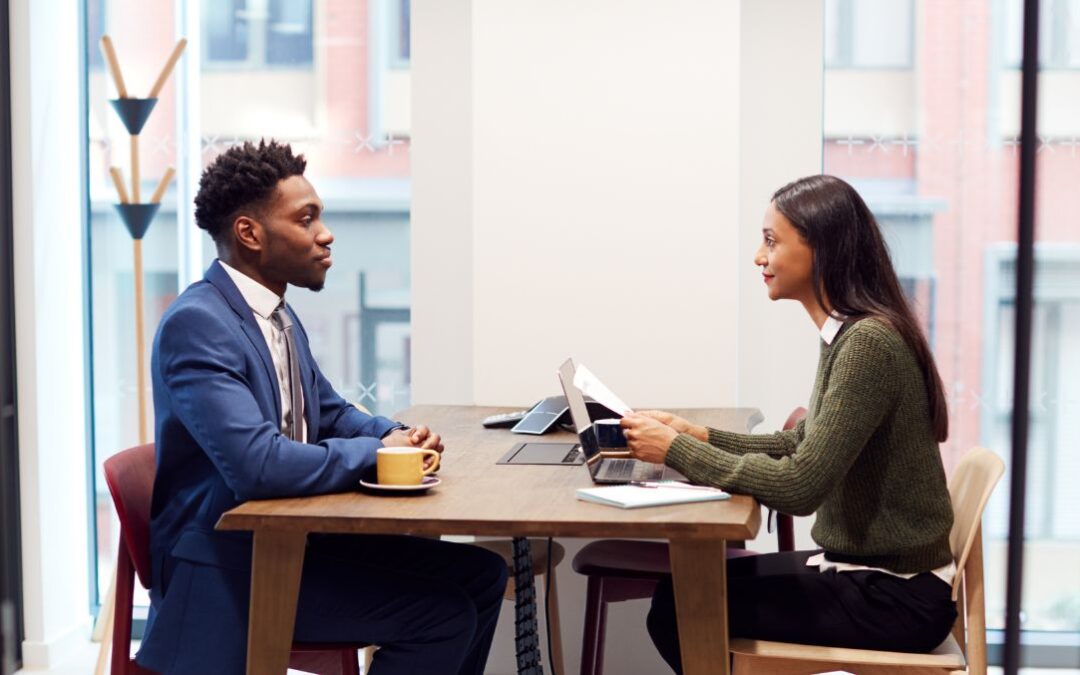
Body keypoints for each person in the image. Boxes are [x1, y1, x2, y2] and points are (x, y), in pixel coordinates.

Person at [138, 139, 508, 675]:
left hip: (290, 542)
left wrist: (398, 434)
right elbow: (257, 466)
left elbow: (330, 412)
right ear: (250, 233)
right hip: (227, 566)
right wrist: (378, 453)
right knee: (441, 615)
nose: (325, 233)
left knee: (482, 575)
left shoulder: (276, 314)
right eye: (306, 219)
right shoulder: (199, 325)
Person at [620, 175, 958, 673]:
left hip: (895, 598)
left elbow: (801, 487)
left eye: (772, 241)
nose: (760, 256)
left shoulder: (867, 345)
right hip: (870, 576)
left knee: (682, 607)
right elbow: (802, 442)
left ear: (821, 249)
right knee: (682, 592)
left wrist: (675, 450)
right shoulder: (847, 332)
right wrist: (696, 435)